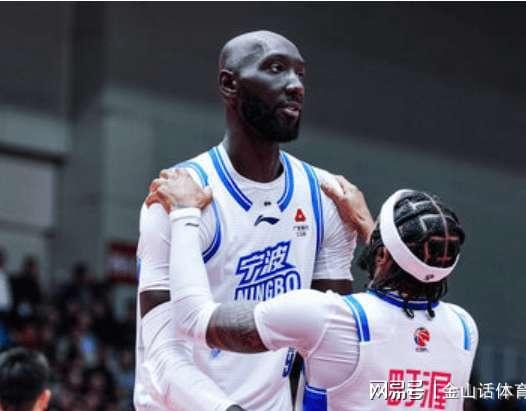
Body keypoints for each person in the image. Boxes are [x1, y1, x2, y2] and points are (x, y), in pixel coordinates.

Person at [135, 30, 359, 411]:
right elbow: (162, 355)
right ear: (229, 84)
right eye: (275, 68)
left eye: (300, 74)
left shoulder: (326, 195)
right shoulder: (178, 195)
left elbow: (329, 345)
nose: (295, 86)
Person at [148, 169, 478, 411]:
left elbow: (195, 320)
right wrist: (369, 227)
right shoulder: (463, 331)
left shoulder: (330, 318)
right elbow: (410, 280)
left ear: (381, 256)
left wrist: (185, 214)